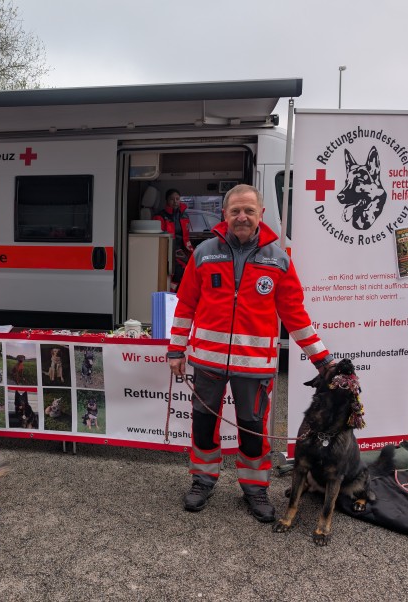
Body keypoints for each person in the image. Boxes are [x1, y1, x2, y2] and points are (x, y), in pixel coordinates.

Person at [166, 184, 334, 523]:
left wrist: (323, 360)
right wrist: (175, 349)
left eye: (249, 211)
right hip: (207, 362)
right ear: (224, 214)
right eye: (235, 211)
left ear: (261, 215)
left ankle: (255, 489)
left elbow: (295, 315)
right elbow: (186, 305)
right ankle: (202, 480)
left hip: (255, 367)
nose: (242, 217)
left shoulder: (279, 258)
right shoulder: (203, 253)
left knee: (252, 428)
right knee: (203, 424)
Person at [153, 188, 194, 290]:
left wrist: (190, 252)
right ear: (167, 200)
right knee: (179, 271)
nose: (175, 201)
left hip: (182, 251)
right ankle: (174, 292)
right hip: (168, 252)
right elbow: (159, 241)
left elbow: (186, 237)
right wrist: (172, 253)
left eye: (177, 199)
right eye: (172, 199)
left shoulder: (184, 216)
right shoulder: (160, 217)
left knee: (194, 267)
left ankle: (182, 292)